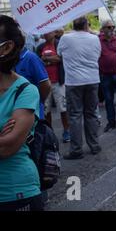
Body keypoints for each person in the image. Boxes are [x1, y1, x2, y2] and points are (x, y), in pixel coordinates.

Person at [0, 15, 42, 211]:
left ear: (6, 47)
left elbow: (7, 147)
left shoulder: (25, 90)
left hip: (14, 193)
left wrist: (5, 140)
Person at [58, 16, 102, 159]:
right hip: (92, 79)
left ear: (73, 25)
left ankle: (76, 149)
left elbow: (59, 54)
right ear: (86, 26)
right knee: (91, 114)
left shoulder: (65, 38)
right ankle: (94, 145)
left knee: (75, 116)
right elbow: (98, 55)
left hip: (74, 81)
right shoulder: (94, 38)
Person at [36, 31, 70, 143]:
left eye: (49, 32)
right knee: (46, 109)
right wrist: (52, 58)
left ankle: (66, 131)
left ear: (54, 33)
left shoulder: (59, 44)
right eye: (45, 32)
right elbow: (38, 61)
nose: (46, 34)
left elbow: (61, 59)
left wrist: (46, 59)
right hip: (46, 82)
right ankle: (49, 133)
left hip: (58, 82)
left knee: (63, 108)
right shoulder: (40, 46)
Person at [15, 44, 51, 120]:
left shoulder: (31, 58)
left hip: (32, 111)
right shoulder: (9, 60)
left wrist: (37, 100)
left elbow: (45, 84)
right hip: (15, 112)